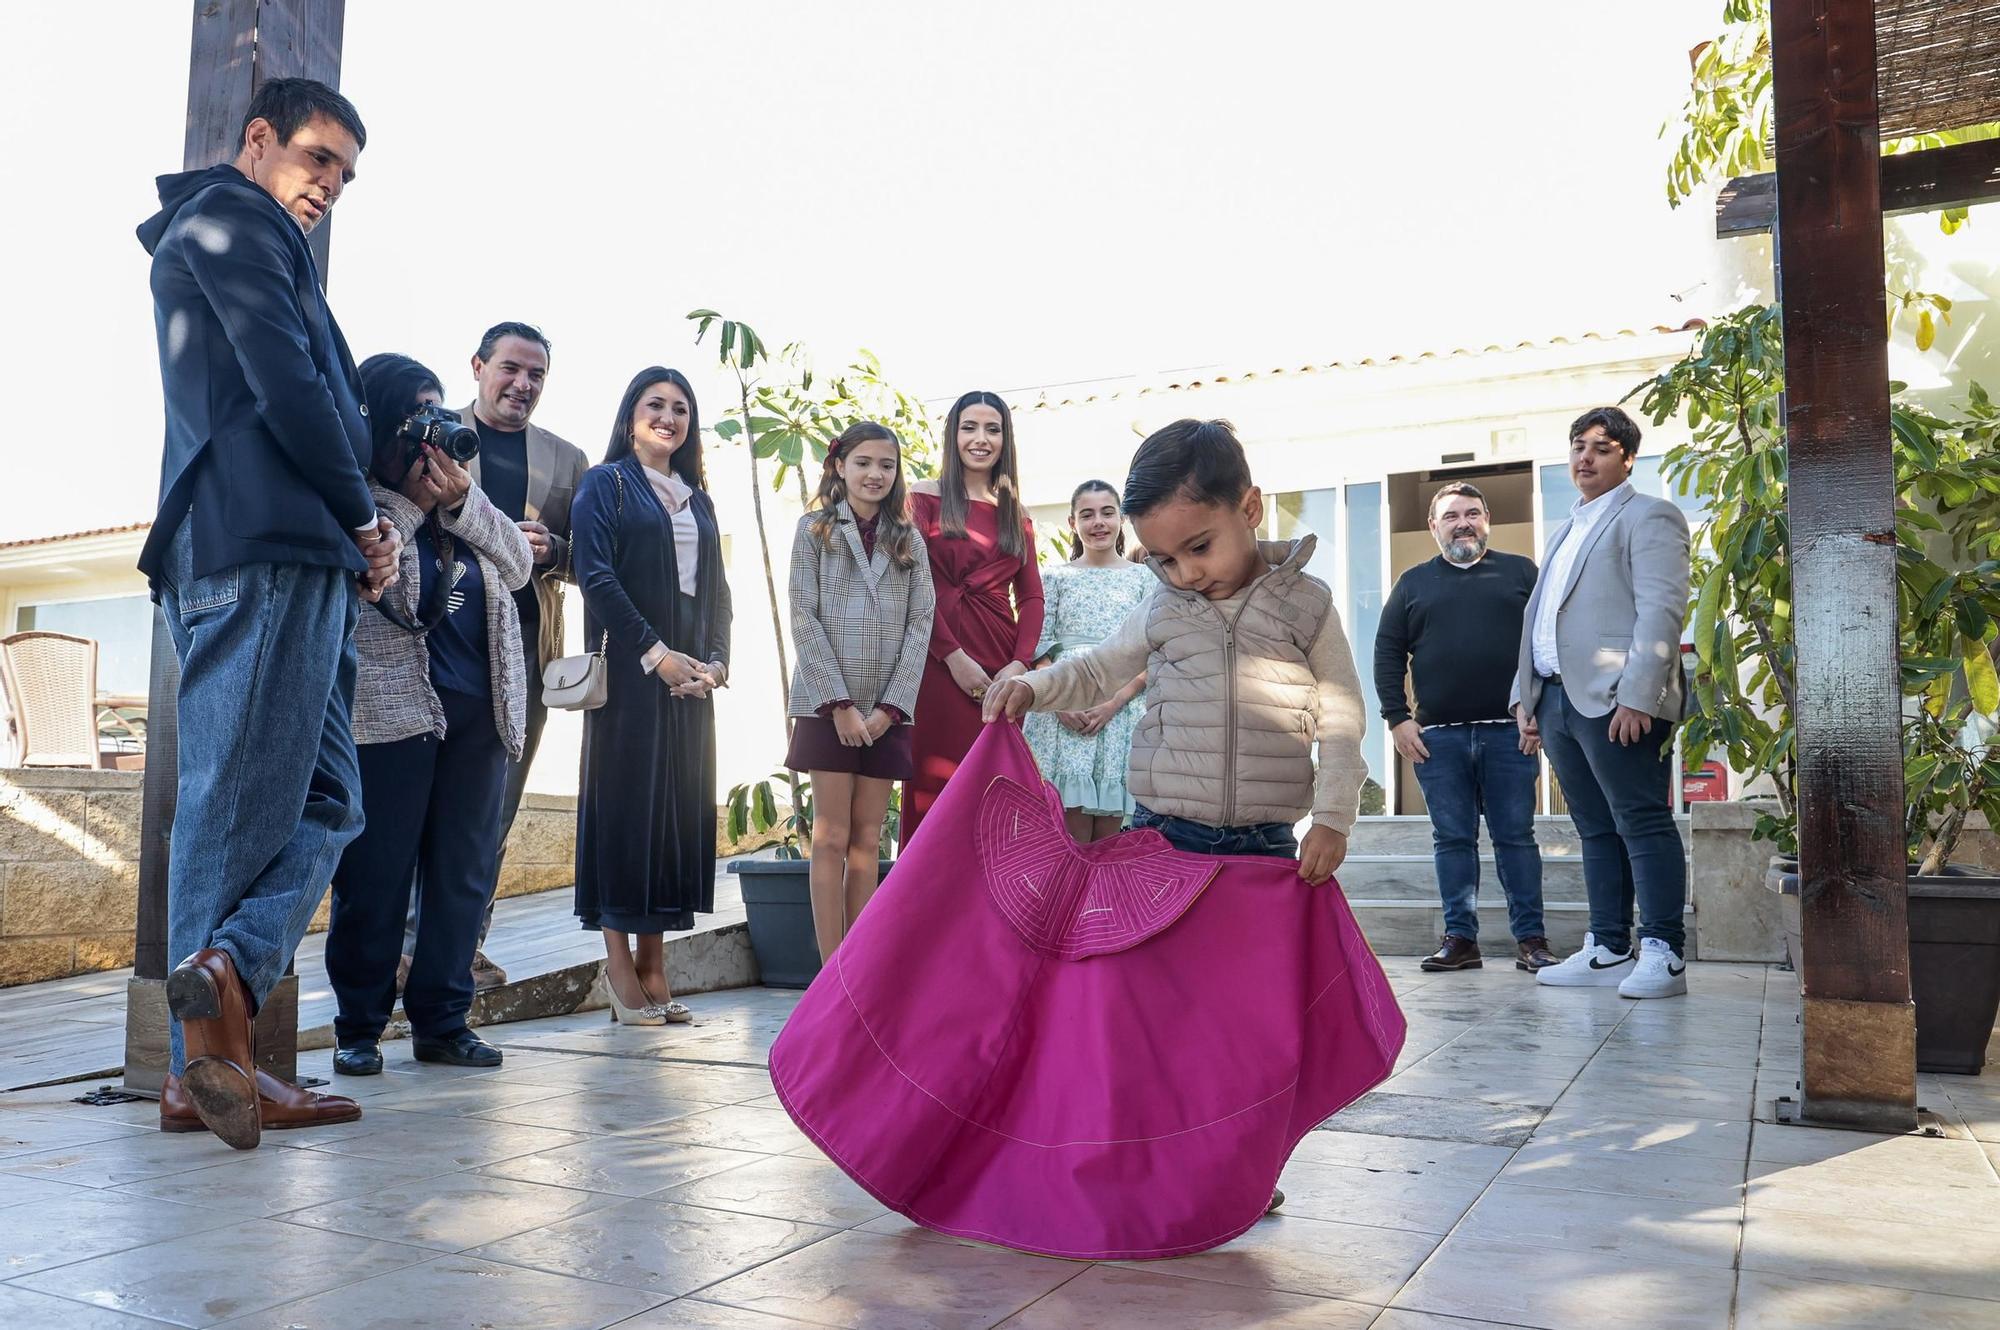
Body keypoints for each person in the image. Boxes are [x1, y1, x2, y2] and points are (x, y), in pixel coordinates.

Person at [986, 420, 1371, 1214]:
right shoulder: (1162, 608)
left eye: (1199, 546)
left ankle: (1241, 1171)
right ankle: (1139, 1156)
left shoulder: (1306, 604)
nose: (1185, 572)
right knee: (1150, 1018)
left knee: (1244, 1032)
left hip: (1264, 857)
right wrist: (1033, 685)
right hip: (1162, 840)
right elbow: (1097, 667)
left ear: (1252, 508)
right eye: (1163, 558)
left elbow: (1340, 712)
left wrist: (1333, 813)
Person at [137, 77, 391, 1147]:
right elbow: (287, 384)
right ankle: (206, 1066)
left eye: (344, 172)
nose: (330, 184)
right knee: (234, 800)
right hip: (261, 546)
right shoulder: (227, 217)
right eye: (317, 158)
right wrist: (364, 516)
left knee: (330, 799)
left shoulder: (264, 237)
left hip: (300, 557)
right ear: (258, 140)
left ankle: (225, 974)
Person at [325, 354, 532, 1076]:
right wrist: (419, 501)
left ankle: (444, 1021)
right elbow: (368, 564)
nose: (433, 433)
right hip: (394, 716)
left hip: (481, 713)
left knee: (461, 876)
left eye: (439, 411)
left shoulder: (461, 500)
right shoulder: (360, 503)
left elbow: (517, 564)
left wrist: (463, 502)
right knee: (374, 876)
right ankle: (358, 1024)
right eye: (418, 415)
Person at [399, 322, 587, 994]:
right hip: (426, 649)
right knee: (412, 806)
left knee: (493, 812)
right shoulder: (428, 431)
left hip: (523, 659)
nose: (523, 384)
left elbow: (591, 559)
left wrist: (556, 551)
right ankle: (404, 951)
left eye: (536, 374)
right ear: (478, 366)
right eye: (510, 368)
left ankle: (461, 951)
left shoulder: (568, 460)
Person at [1513, 406, 1692, 999]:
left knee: (1641, 821)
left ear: (1628, 458)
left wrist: (1640, 695)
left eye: (1602, 448)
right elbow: (1543, 620)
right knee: (1593, 827)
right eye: (1578, 446)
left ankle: (1663, 950)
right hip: (1560, 701)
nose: (1585, 457)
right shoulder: (1566, 529)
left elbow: (1661, 611)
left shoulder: (1650, 516)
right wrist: (1527, 697)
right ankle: (1609, 946)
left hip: (1618, 701)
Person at [572, 368, 731, 1024]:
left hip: (692, 681)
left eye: (680, 409)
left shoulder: (699, 498)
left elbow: (718, 591)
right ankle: (619, 965)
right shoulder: (603, 485)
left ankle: (654, 964)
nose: (669, 417)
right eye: (655, 405)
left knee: (674, 818)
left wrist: (715, 665)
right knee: (626, 813)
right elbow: (595, 574)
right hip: (633, 682)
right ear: (630, 414)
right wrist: (656, 655)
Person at [1375, 482, 1558, 975]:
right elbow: (1387, 652)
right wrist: (1397, 718)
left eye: (1472, 513)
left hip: (1510, 732)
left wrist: (1538, 709)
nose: (1463, 523)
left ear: (1487, 520)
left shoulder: (1520, 573)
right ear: (1434, 526)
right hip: (1440, 739)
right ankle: (1461, 939)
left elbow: (1546, 645)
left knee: (1515, 837)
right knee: (1452, 839)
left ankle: (1532, 941)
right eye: (1451, 515)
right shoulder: (1413, 583)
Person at [784, 422, 936, 961]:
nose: (875, 474)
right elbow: (803, 616)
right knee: (828, 838)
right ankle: (830, 970)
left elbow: (921, 623)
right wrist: (841, 706)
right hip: (828, 706)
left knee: (868, 842)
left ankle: (858, 968)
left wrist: (890, 709)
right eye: (864, 462)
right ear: (840, 466)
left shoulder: (909, 539)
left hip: (887, 712)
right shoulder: (814, 531)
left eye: (887, 465)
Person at [902, 391, 1044, 846]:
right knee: (934, 795)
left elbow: (1033, 598)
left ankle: (991, 913)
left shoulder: (1016, 514)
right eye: (970, 427)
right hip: (938, 661)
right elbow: (911, 588)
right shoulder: (922, 499)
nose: (980, 439)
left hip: (1001, 668)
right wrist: (952, 657)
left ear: (1005, 439)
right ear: (953, 434)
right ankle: (923, 912)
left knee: (996, 793)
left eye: (992, 429)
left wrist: (1019, 665)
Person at [1021, 480, 1153, 842]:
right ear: (1072, 523)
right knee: (1068, 836)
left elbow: (1153, 650)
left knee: (1111, 841)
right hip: (1062, 712)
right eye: (1087, 514)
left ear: (1121, 518)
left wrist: (1114, 701)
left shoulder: (1145, 579)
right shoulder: (1054, 577)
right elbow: (1038, 648)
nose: (1098, 522)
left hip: (1122, 713)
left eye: (1107, 513)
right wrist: (1057, 700)